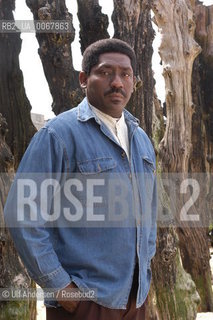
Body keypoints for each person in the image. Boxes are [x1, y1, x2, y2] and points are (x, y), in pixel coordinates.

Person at [4, 38, 157, 320]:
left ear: (134, 81)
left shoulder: (142, 140)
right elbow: (22, 214)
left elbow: (150, 211)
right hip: (83, 304)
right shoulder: (58, 135)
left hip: (135, 301)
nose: (117, 83)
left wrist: (145, 274)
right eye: (106, 72)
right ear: (84, 79)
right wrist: (63, 289)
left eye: (126, 74)